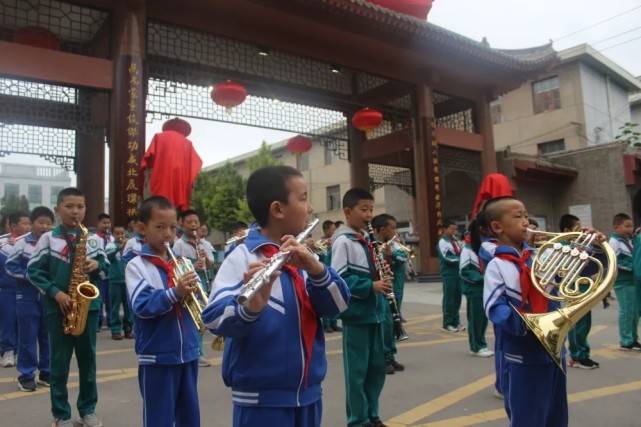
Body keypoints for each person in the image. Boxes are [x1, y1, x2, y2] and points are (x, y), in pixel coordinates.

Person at [202, 165, 349, 427]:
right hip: (260, 402)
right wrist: (249, 309)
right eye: (303, 198)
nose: (311, 208)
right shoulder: (243, 257)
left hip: (309, 396)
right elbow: (212, 318)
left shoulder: (303, 256)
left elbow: (339, 304)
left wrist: (317, 270)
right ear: (278, 209)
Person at [483, 196, 570, 427]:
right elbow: (495, 308)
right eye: (518, 216)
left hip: (555, 352)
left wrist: (592, 248)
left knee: (556, 415)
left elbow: (579, 272)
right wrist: (529, 325)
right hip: (521, 354)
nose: (526, 221)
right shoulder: (498, 265)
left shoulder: (544, 255)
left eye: (526, 215)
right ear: (497, 227)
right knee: (527, 418)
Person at [27, 187, 108, 427]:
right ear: (58, 209)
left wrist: (96, 263)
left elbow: (106, 263)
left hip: (88, 309)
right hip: (58, 309)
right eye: (70, 206)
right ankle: (61, 414)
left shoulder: (92, 238)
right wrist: (56, 293)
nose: (75, 211)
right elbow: (33, 270)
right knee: (59, 364)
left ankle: (88, 410)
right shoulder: (48, 238)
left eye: (80, 207)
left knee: (88, 362)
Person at [125, 196, 202, 427]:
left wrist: (198, 292)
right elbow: (142, 306)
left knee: (190, 416)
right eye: (160, 227)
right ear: (142, 229)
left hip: (188, 352)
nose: (167, 233)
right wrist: (175, 293)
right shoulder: (136, 265)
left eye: (172, 227)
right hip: (157, 356)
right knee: (159, 418)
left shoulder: (182, 262)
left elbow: (196, 299)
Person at [331, 188, 388, 427]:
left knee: (376, 369)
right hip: (357, 316)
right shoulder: (344, 241)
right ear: (347, 211)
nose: (369, 215)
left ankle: (372, 414)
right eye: (363, 209)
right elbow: (339, 278)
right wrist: (370, 285)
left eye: (371, 209)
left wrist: (383, 271)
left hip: (375, 314)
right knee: (357, 373)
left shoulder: (367, 240)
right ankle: (358, 419)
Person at [6, 207, 51, 392]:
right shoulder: (22, 244)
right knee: (28, 337)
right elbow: (10, 266)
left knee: (48, 337)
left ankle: (47, 372)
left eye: (49, 223)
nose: (45, 226)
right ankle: (26, 375)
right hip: (27, 296)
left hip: (48, 296)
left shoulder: (53, 243)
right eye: (41, 222)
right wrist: (29, 276)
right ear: (32, 224)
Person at [172, 209, 214, 367]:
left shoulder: (204, 243)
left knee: (200, 319)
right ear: (182, 224)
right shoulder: (179, 244)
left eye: (196, 222)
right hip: (187, 284)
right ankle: (192, 352)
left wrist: (204, 259)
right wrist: (193, 265)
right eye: (189, 222)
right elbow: (175, 266)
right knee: (189, 319)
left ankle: (198, 352)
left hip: (202, 282)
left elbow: (211, 264)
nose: (193, 225)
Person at [559, 214, 599, 369]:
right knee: (578, 323)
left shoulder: (579, 245)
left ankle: (584, 354)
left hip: (584, 286)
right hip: (573, 288)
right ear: (567, 230)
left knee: (585, 322)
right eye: (577, 227)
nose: (581, 232)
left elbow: (596, 258)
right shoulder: (562, 246)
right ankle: (577, 356)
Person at [372, 213, 407, 375]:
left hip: (392, 287)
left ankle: (391, 354)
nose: (395, 231)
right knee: (385, 323)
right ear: (383, 229)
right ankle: (383, 358)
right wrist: (385, 254)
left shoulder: (391, 245)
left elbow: (402, 257)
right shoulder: (373, 245)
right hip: (380, 289)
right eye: (392, 228)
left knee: (393, 322)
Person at [0, 211, 31, 368]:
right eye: (24, 223)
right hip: (6, 289)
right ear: (13, 226)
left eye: (28, 223)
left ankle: (18, 351)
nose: (28, 227)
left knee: (22, 322)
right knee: (7, 321)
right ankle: (7, 351)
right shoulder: (2, 243)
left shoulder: (32, 242)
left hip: (25, 289)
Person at [459, 221, 493, 358]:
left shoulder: (479, 248)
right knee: (476, 319)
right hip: (474, 288)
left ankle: (478, 344)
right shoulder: (467, 249)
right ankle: (478, 346)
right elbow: (464, 271)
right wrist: (481, 278)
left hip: (482, 287)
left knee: (481, 318)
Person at [609, 213, 641, 351]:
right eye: (627, 226)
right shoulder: (614, 242)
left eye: (631, 226)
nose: (630, 229)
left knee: (634, 312)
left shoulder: (627, 240)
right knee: (627, 311)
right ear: (617, 227)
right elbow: (617, 261)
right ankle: (626, 340)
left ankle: (633, 338)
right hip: (623, 282)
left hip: (632, 281)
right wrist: (634, 265)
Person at [105, 225, 132, 340]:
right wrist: (118, 248)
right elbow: (109, 257)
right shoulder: (110, 245)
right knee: (115, 306)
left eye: (122, 234)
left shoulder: (128, 245)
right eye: (117, 234)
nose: (120, 236)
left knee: (128, 306)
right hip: (114, 280)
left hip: (127, 280)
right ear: (113, 234)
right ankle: (115, 330)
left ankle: (128, 329)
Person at [437, 219, 464, 333]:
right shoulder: (443, 242)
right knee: (449, 299)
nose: (454, 231)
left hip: (458, 273)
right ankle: (447, 323)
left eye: (455, 229)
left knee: (457, 298)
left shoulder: (456, 241)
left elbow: (461, 252)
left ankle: (456, 322)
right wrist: (461, 260)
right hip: (449, 274)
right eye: (451, 229)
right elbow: (447, 258)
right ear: (445, 229)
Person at [319, 219, 341, 334]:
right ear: (327, 230)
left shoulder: (335, 242)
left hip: (334, 273)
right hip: (324, 275)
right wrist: (326, 246)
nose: (334, 231)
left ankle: (334, 323)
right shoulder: (320, 243)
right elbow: (319, 257)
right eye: (332, 229)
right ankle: (326, 324)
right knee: (327, 299)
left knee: (335, 298)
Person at [95, 213, 113, 330]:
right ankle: (98, 322)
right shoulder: (94, 238)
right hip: (100, 275)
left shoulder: (112, 238)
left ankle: (111, 321)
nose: (106, 225)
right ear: (98, 224)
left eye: (108, 223)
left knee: (110, 300)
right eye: (104, 223)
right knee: (99, 299)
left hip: (111, 275)